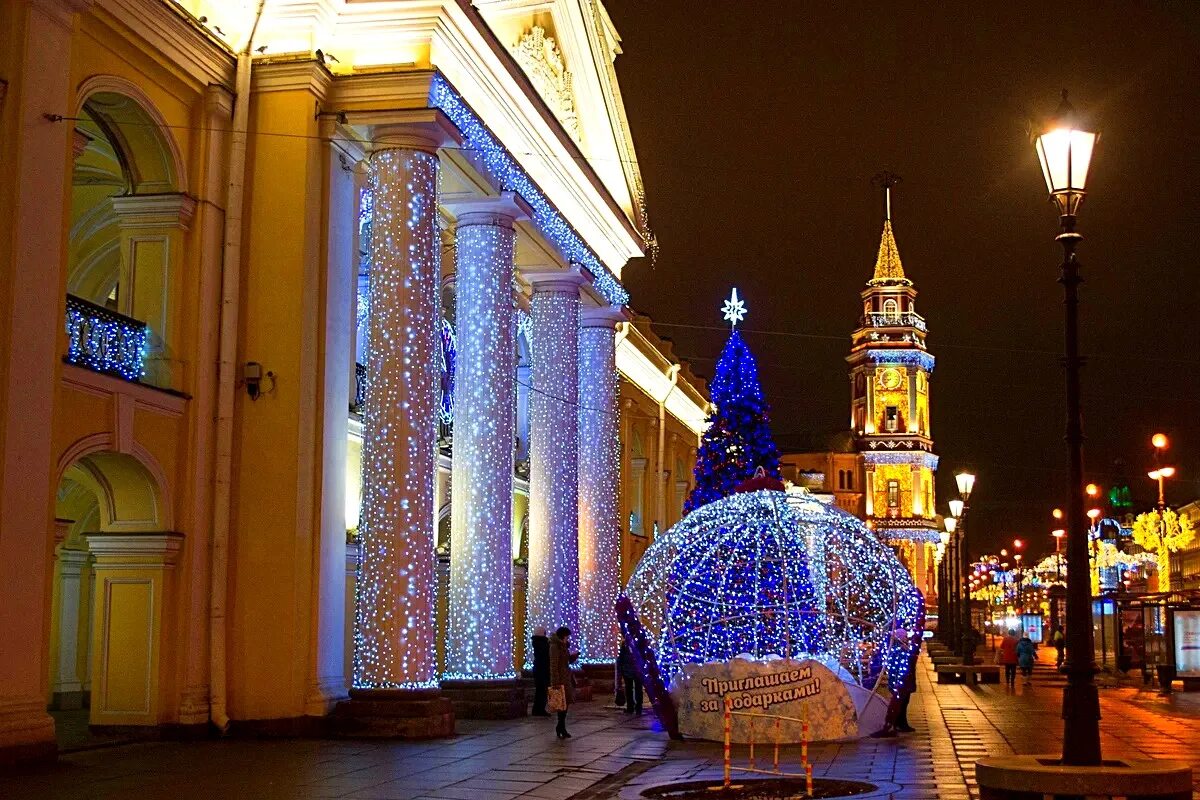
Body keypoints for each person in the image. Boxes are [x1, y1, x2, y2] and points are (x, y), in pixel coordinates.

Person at [549, 626, 577, 738]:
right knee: (561, 704)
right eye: (567, 636)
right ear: (563, 636)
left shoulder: (563, 646)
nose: (568, 639)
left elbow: (566, 660)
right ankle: (561, 727)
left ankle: (561, 726)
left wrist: (573, 657)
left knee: (565, 704)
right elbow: (554, 664)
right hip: (560, 679)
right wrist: (555, 681)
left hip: (566, 678)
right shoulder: (555, 646)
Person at [617, 640, 643, 715]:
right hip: (631, 669)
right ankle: (635, 708)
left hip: (631, 669)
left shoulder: (627, 643)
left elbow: (621, 657)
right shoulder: (628, 643)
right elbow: (621, 657)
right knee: (633, 689)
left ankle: (633, 708)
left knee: (632, 689)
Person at [530, 627, 551, 717]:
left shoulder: (536, 642)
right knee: (542, 690)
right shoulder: (542, 643)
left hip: (539, 669)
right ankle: (539, 709)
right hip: (542, 669)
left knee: (540, 690)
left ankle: (538, 709)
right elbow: (546, 653)